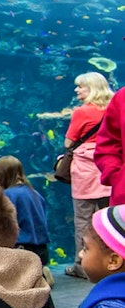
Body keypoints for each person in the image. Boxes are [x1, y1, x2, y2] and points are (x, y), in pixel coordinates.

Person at [66, 72, 114, 276]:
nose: (77, 90)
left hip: (85, 172)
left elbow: (69, 143)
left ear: (92, 88)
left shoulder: (82, 112)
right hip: (108, 169)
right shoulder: (114, 109)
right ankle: (113, 260)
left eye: (81, 86)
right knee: (109, 219)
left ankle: (81, 265)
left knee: (83, 220)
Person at [0, 155, 50, 266]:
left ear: (1, 175)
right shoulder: (35, 193)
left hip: (21, 252)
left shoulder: (8, 195)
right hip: (42, 251)